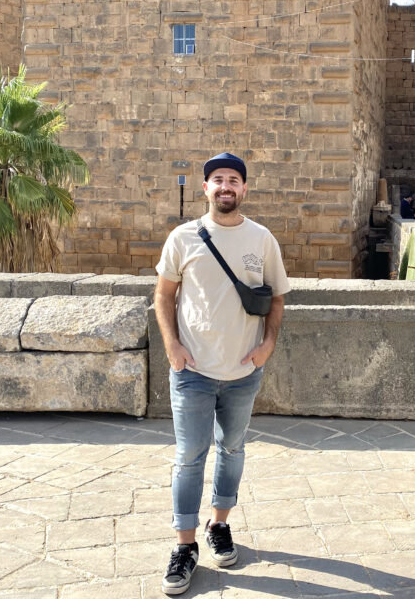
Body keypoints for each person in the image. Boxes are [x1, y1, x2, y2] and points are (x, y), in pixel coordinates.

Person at [154, 152, 290, 596]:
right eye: (218, 179)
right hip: (192, 369)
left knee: (231, 449)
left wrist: (267, 344)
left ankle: (220, 524)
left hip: (242, 370)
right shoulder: (183, 237)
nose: (226, 186)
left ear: (244, 189)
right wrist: (173, 347)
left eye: (233, 179)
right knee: (189, 457)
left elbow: (277, 298)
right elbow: (164, 296)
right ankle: (185, 545)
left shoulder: (262, 239)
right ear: (206, 188)